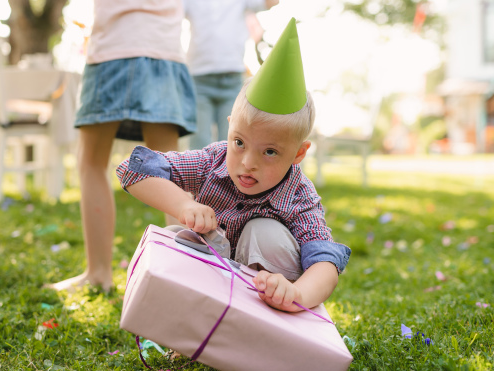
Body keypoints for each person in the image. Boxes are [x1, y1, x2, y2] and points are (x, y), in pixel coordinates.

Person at [116, 18, 351, 312]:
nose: (247, 163)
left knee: (264, 232)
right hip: (211, 290)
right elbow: (133, 169)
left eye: (269, 152)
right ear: (229, 129)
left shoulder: (298, 196)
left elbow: (325, 262)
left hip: (266, 301)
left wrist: (295, 294)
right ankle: (190, 324)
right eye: (239, 142)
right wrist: (183, 206)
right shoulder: (212, 160)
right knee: (178, 236)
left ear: (298, 154)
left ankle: (259, 328)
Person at [47, 0, 196, 291]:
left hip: (114, 47)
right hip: (163, 49)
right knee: (171, 168)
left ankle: (99, 273)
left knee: (91, 162)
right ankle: (187, 279)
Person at [184, 0, 279, 150]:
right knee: (199, 142)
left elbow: (271, 2)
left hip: (232, 78)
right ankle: (198, 175)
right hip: (198, 78)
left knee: (232, 142)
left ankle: (227, 174)